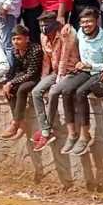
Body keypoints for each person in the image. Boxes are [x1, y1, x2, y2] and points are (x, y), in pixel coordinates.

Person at [68, 8, 103, 156]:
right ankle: (72, 134)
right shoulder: (80, 33)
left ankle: (85, 134)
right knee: (66, 90)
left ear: (97, 21)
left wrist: (91, 66)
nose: (86, 25)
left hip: (99, 72)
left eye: (89, 21)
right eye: (83, 22)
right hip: (84, 71)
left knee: (80, 92)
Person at [31, 11, 80, 151]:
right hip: (55, 70)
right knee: (36, 92)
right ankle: (45, 128)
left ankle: (46, 132)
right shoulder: (43, 37)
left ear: (54, 24)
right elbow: (47, 60)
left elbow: (65, 56)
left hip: (70, 70)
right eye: (41, 25)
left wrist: (59, 78)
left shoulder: (66, 32)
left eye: (46, 24)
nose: (43, 28)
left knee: (53, 92)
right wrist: (43, 79)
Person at [1, 25, 43, 139]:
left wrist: (12, 83)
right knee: (9, 90)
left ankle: (15, 123)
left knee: (22, 90)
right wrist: (7, 83)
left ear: (27, 39)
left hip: (36, 77)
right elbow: (15, 70)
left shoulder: (36, 49)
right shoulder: (15, 51)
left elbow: (32, 73)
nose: (16, 42)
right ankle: (22, 124)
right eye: (14, 39)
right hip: (22, 75)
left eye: (19, 39)